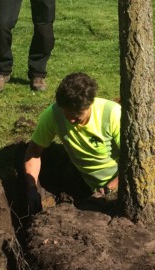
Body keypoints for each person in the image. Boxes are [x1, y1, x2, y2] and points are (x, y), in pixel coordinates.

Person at [23, 72, 121, 210]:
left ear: (90, 104)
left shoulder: (112, 114)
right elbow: (34, 152)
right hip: (89, 185)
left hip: (121, 184)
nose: (71, 120)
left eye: (77, 115)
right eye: (67, 114)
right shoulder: (53, 115)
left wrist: (109, 188)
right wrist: (32, 189)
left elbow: (135, 159)